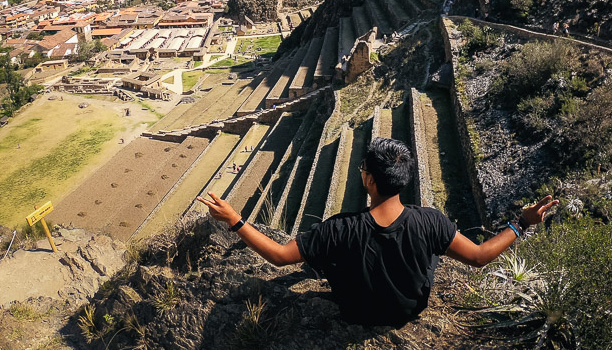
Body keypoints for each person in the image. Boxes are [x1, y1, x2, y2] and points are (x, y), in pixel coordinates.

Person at [197, 138, 558, 327]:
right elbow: (480, 257)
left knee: (322, 254)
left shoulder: (339, 228)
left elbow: (278, 258)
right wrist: (521, 223)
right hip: (407, 311)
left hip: (355, 313)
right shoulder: (430, 221)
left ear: (368, 178)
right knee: (431, 252)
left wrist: (236, 219)